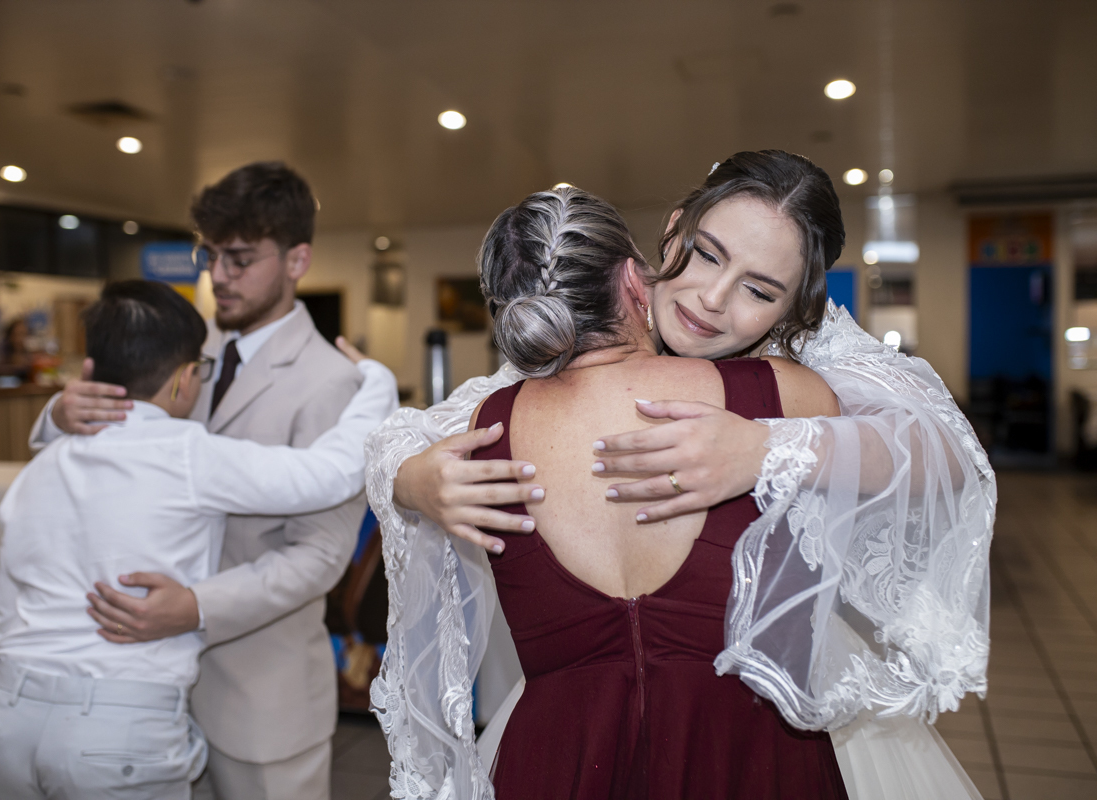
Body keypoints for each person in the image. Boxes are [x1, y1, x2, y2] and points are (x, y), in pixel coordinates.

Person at [366, 152, 990, 799]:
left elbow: (944, 450)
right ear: (668, 236)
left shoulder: (805, 359)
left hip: (764, 686)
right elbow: (409, 434)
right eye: (708, 255)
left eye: (759, 290)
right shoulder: (569, 344)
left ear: (793, 310)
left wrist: (768, 447)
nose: (713, 299)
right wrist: (414, 481)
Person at [0, 281, 397, 800]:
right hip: (116, 728)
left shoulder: (43, 465)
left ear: (87, 373)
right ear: (184, 381)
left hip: (2, 714)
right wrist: (376, 379)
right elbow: (329, 474)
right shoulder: (187, 454)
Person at [27, 162, 369, 800]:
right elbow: (97, 456)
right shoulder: (175, 345)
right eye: (209, 255)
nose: (218, 276)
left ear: (298, 259)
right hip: (140, 690)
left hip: (260, 698)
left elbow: (321, 555)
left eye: (239, 258)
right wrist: (58, 415)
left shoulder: (333, 382)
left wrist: (196, 607)